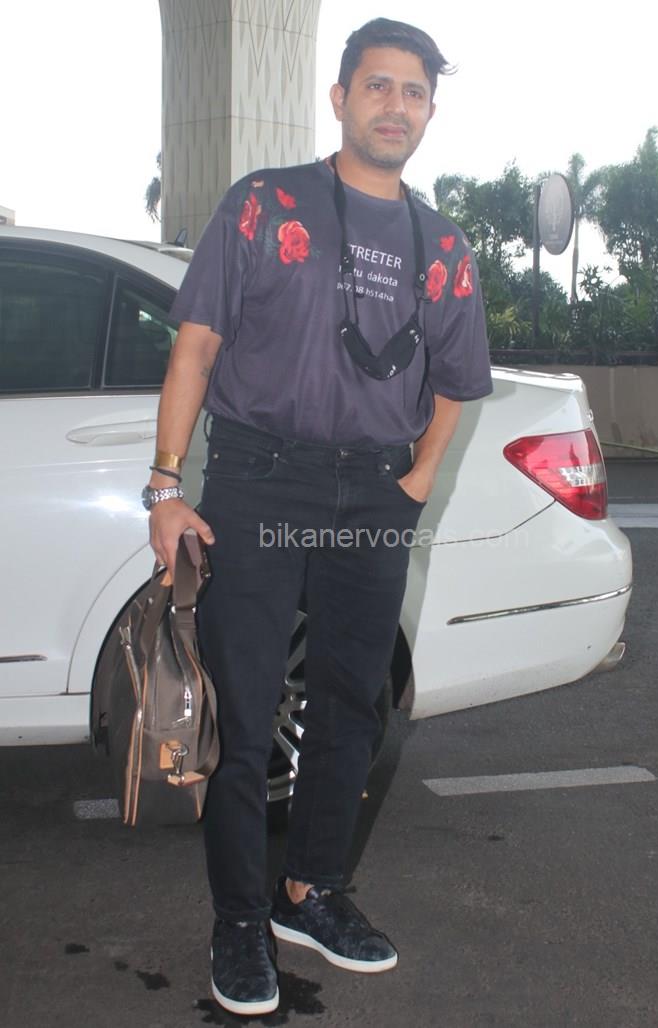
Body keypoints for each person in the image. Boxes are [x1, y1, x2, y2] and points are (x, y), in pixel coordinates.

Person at [143, 17, 492, 1018]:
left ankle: (311, 892)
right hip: (259, 480)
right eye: (377, 85)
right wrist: (166, 486)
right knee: (246, 709)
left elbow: (457, 382)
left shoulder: (444, 245)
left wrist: (416, 480)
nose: (395, 105)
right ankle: (239, 919)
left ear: (429, 112)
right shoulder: (264, 203)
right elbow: (196, 346)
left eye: (413, 92)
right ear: (339, 99)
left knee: (351, 703)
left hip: (373, 492)